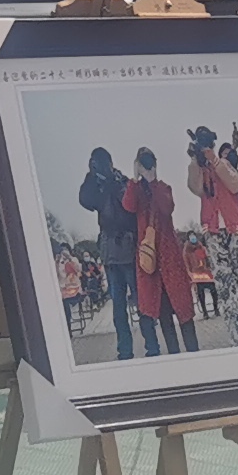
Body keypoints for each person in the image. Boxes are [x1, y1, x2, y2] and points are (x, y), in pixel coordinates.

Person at [187, 126, 238, 344]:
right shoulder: (199, 169)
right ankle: (237, 340)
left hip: (234, 229)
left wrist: (214, 159)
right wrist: (195, 160)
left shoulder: (224, 163)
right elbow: (195, 188)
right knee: (225, 289)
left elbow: (234, 185)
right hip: (212, 232)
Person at [122, 145, 198, 355]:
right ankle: (174, 356)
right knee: (164, 316)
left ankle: (195, 354)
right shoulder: (136, 191)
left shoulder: (163, 187)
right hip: (151, 263)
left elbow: (167, 207)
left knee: (184, 311)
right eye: (143, 162)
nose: (147, 166)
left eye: (150, 162)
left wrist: (153, 180)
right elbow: (128, 206)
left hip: (170, 258)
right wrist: (135, 178)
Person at [78, 145, 140, 358]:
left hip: (128, 249)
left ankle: (151, 344)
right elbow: (85, 200)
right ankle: (125, 350)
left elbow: (130, 207)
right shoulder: (98, 186)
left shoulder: (120, 181)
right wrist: (91, 176)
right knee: (118, 306)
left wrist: (112, 182)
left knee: (139, 300)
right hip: (110, 254)